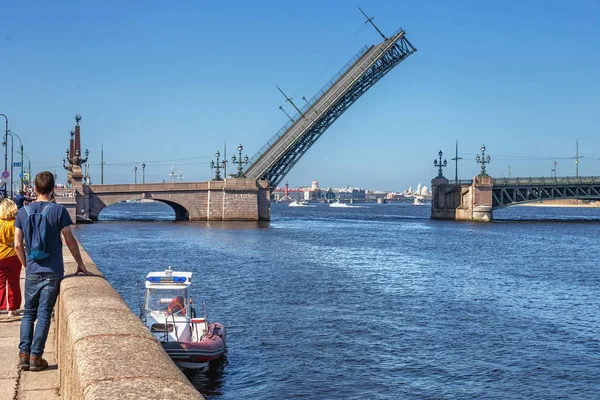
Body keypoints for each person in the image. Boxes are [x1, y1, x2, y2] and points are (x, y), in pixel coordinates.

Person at [14, 171, 92, 372]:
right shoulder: (58, 211)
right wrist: (80, 263)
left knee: (29, 313)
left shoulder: (22, 212)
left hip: (32, 270)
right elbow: (69, 239)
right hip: (53, 271)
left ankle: (23, 354)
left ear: (35, 187)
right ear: (52, 189)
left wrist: (26, 265)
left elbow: (17, 245)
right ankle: (36, 357)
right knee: (44, 313)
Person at [0, 198, 22, 317]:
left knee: (0, 283)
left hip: (0, 256)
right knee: (13, 282)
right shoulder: (16, 223)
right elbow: (19, 242)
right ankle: (12, 309)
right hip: (14, 256)